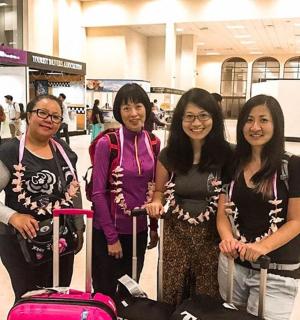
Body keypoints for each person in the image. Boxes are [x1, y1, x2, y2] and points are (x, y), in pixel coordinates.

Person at [145, 88, 232, 306]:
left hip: (213, 236)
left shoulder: (228, 155)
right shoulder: (169, 155)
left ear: (214, 118)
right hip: (175, 235)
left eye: (203, 116)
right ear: (180, 120)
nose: (196, 123)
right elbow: (159, 191)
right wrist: (156, 202)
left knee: (208, 295)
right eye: (189, 117)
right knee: (172, 292)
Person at [217, 94, 300, 320]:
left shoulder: (292, 165)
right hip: (234, 266)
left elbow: (297, 220)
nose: (255, 127)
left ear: (277, 124)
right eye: (249, 120)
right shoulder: (233, 163)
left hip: (276, 270)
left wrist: (263, 246)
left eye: (264, 120)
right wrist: (227, 238)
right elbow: (223, 211)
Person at [0, 94, 84, 302]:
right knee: (30, 299)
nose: (49, 120)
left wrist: (79, 226)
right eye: (42, 113)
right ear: (29, 115)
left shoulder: (63, 150)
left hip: (60, 239)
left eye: (56, 116)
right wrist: (12, 216)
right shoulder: (9, 152)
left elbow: (74, 188)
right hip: (20, 242)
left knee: (59, 295)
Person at [91, 83, 160, 298]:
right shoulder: (107, 143)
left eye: (138, 106)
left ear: (147, 108)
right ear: (118, 112)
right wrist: (111, 238)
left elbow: (154, 187)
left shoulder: (153, 142)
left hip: (138, 230)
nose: (133, 113)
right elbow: (98, 193)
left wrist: (153, 227)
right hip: (108, 231)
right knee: (105, 292)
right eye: (126, 108)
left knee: (130, 290)